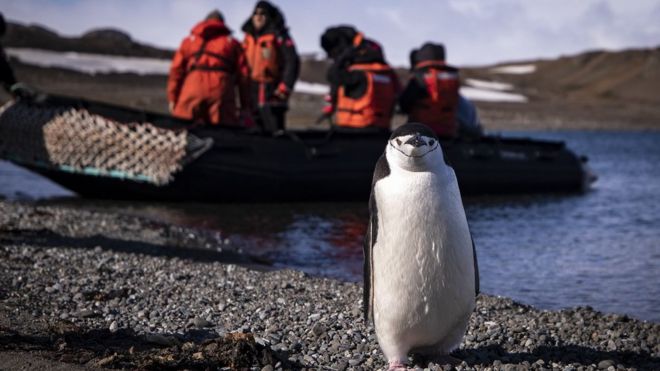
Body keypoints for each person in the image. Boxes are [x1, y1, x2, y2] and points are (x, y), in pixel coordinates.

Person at [167, 10, 251, 126]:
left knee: (184, 129)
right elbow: (244, 76)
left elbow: (176, 71)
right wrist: (245, 106)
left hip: (192, 88)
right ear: (222, 23)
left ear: (205, 21)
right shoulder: (233, 43)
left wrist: (172, 97)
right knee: (222, 133)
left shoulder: (189, 41)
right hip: (221, 90)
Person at [320, 26, 400, 130]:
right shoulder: (387, 74)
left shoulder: (356, 75)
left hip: (354, 130)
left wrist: (342, 58)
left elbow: (332, 75)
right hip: (382, 131)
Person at [399, 42, 483, 137]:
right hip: (448, 133)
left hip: (421, 134)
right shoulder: (452, 79)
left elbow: (404, 105)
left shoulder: (419, 78)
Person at [241, 1, 300, 133]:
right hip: (250, 90)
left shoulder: (279, 36)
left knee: (273, 130)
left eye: (263, 14)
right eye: (255, 13)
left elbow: (292, 61)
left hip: (272, 90)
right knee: (251, 129)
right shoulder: (247, 38)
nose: (258, 17)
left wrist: (285, 86)